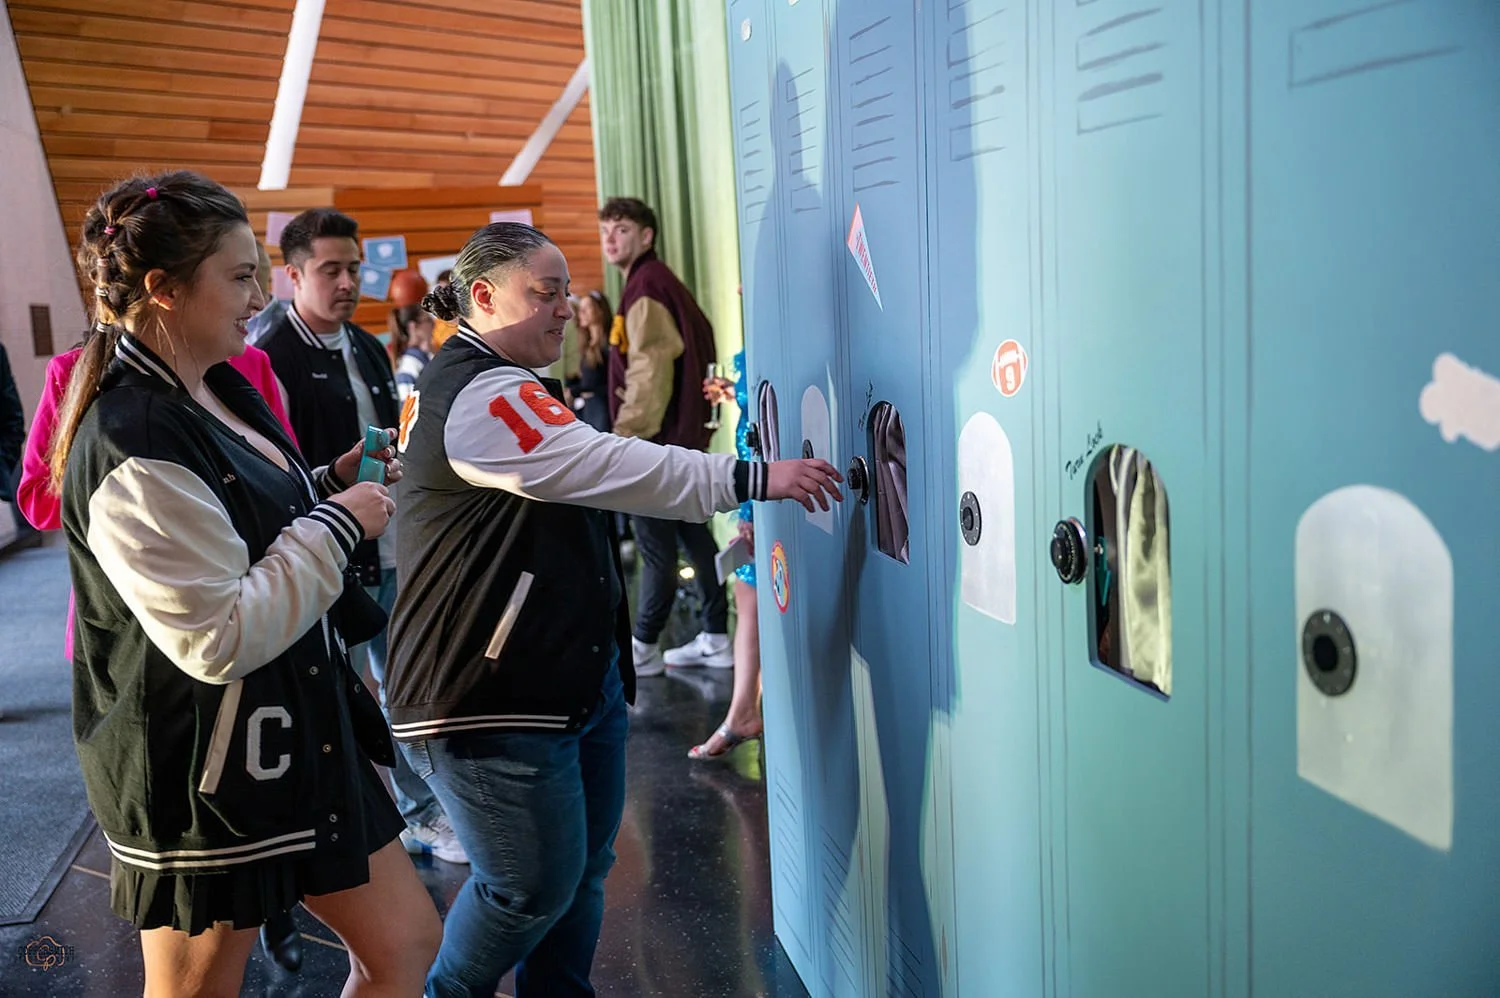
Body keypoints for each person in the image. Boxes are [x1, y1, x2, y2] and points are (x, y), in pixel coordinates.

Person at [383, 221, 843, 997]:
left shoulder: (504, 380)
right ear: (484, 297)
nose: (567, 307)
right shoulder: (479, 391)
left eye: (568, 288)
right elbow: (607, 464)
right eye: (546, 291)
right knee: (527, 887)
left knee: (582, 871)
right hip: (490, 696)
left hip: (559, 683)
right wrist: (754, 478)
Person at [55, 170, 440, 996]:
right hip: (203, 767)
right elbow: (215, 635)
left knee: (406, 947)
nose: (260, 293)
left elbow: (242, 524)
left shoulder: (215, 386)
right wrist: (340, 524)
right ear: (163, 289)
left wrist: (323, 484)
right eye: (240, 277)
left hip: (292, 734)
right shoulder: (130, 433)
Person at [257, 208, 464, 864]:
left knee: (407, 681)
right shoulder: (269, 355)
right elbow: (274, 471)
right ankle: (401, 813)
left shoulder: (368, 345)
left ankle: (421, 810)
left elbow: (387, 440)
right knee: (343, 693)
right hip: (319, 552)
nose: (348, 282)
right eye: (331, 270)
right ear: (292, 276)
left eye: (354, 268)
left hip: (390, 540)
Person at [598, 197, 731, 675]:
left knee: (656, 549)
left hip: (654, 444)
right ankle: (717, 634)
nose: (611, 238)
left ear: (646, 236)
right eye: (606, 230)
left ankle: (643, 648)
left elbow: (650, 372)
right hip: (679, 441)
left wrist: (623, 441)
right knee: (694, 539)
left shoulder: (646, 286)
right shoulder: (654, 282)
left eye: (623, 229)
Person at [689, 349, 763, 759]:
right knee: (755, 598)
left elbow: (766, 419)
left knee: (752, 598)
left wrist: (752, 507)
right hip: (760, 483)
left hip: (764, 485)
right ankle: (743, 711)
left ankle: (742, 714)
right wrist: (736, 392)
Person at [564, 290, 612, 433]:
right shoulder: (586, 345)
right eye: (581, 308)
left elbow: (612, 384)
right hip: (588, 410)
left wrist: (575, 391)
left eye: (588, 307)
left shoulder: (609, 345)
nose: (582, 312)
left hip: (603, 410)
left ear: (600, 311)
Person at [388, 304, 434, 404]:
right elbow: (407, 408)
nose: (433, 324)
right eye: (428, 320)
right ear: (414, 326)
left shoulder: (426, 357)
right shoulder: (410, 364)